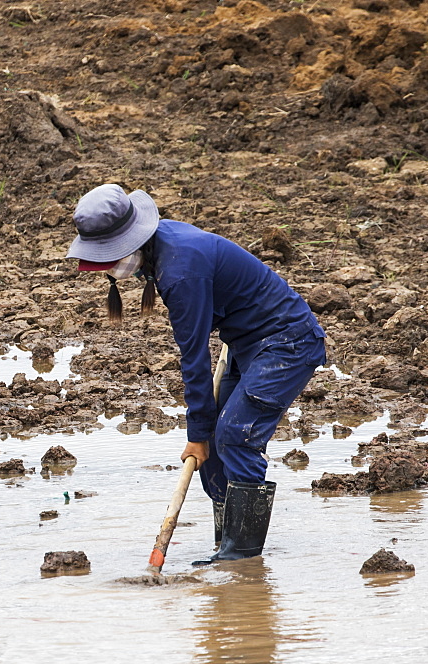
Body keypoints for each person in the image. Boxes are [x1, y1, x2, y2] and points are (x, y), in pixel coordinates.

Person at [65, 184, 326, 563]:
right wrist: (203, 436)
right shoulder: (161, 245)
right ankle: (225, 544)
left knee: (235, 437)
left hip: (287, 343)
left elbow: (194, 359)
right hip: (245, 344)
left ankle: (242, 560)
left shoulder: (181, 271)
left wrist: (197, 434)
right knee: (217, 451)